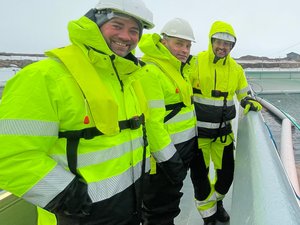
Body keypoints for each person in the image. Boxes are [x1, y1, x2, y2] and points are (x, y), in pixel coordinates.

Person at [0, 0, 154, 224]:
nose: (126, 36)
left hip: (127, 208)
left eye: (134, 31)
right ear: (95, 24)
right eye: (117, 26)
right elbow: (9, 155)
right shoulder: (46, 76)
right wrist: (67, 197)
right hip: (75, 215)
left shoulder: (129, 79)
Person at [190, 20, 262, 225]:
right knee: (201, 181)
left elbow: (243, 93)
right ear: (211, 41)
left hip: (223, 135)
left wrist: (248, 100)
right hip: (198, 137)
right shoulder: (194, 63)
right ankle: (209, 216)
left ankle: (218, 202)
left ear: (232, 47)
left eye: (227, 44)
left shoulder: (236, 69)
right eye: (219, 42)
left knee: (226, 177)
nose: (222, 47)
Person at [138, 18, 198, 225]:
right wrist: (169, 160)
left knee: (170, 204)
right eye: (179, 44)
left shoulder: (176, 69)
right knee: (159, 210)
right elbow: (152, 123)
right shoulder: (151, 71)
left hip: (179, 150)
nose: (184, 50)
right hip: (163, 157)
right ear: (164, 43)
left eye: (188, 45)